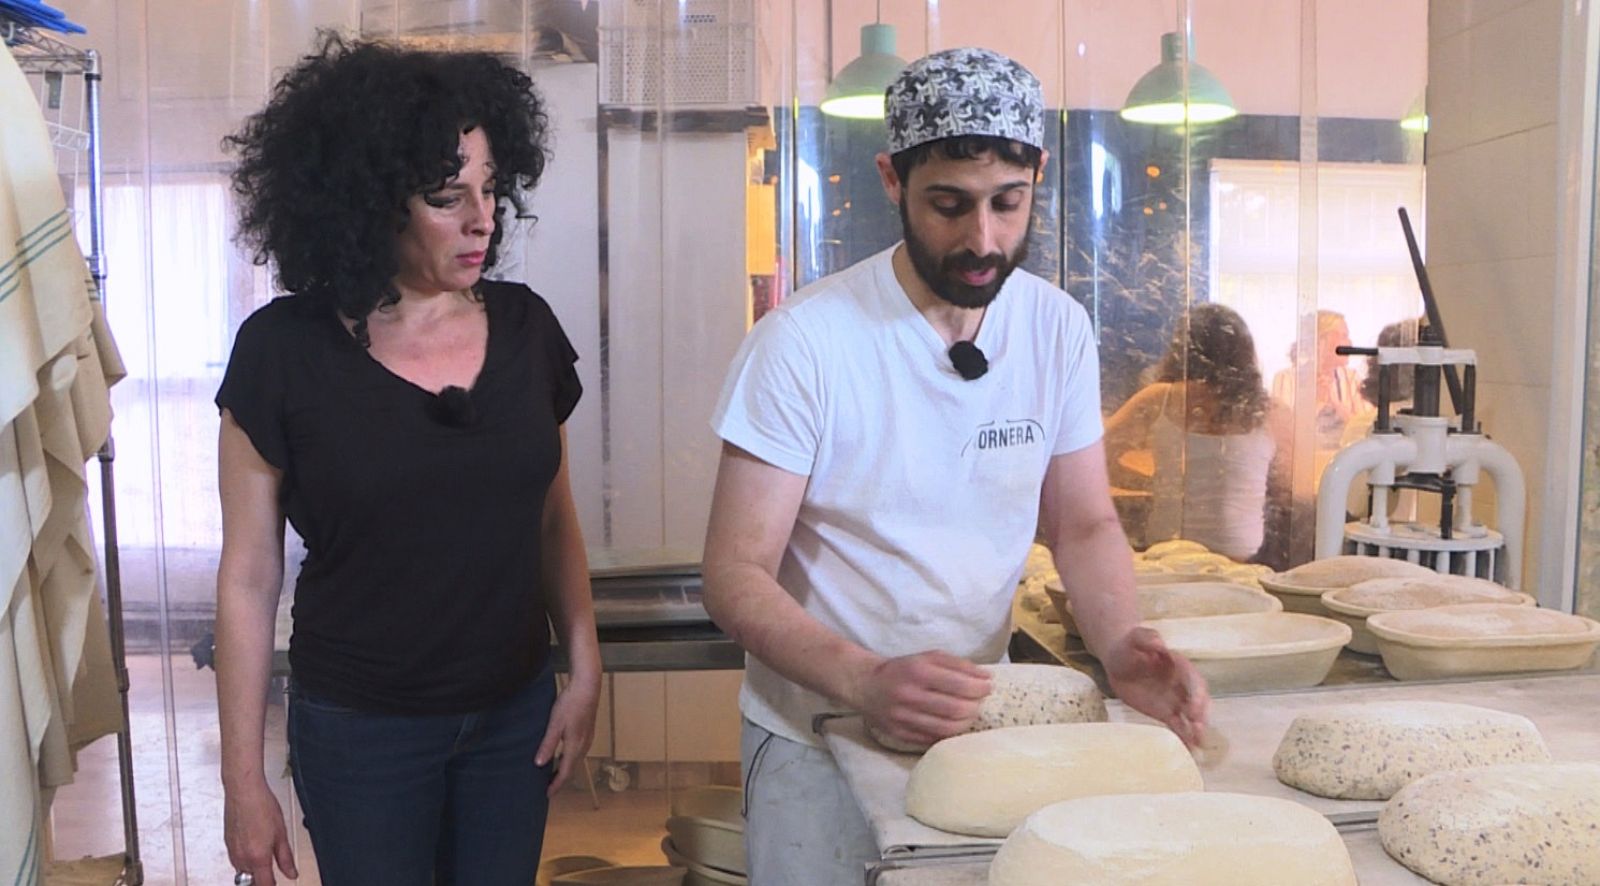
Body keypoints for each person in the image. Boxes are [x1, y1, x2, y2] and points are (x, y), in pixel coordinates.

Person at [701, 47, 1210, 883]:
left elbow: (1082, 522)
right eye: (949, 204)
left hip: (982, 731)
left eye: (1009, 204)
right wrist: (862, 679)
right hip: (817, 734)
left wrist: (1119, 646)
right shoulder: (807, 343)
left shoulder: (1054, 328)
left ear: (1038, 175)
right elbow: (735, 572)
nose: (983, 239)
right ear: (892, 180)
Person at [214, 35, 599, 886]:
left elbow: (552, 517)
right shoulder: (281, 352)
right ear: (367, 204)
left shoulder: (528, 331)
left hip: (514, 717)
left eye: (492, 188)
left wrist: (586, 666)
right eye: (445, 195)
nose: (481, 218)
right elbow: (247, 575)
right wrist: (244, 779)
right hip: (359, 729)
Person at [1104, 303, 1289, 561]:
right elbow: (1287, 488)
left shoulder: (1159, 398)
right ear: (1245, 353)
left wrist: (1160, 485)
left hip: (1168, 554)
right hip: (1244, 557)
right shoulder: (1271, 411)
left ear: (1181, 350)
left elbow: (1096, 460)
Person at [1271, 309, 1362, 448]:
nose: (1350, 343)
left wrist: (1335, 403)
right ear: (1320, 341)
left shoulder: (1351, 378)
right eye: (1343, 336)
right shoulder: (1286, 379)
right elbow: (1283, 434)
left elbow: (1364, 430)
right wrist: (1316, 403)